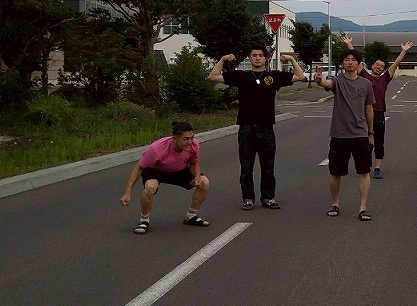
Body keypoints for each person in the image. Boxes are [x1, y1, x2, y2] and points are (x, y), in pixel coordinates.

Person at [209, 44, 304, 210]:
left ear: (265, 58)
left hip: (266, 128)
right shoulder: (242, 76)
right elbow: (214, 77)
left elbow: (299, 76)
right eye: (254, 55)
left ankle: (268, 197)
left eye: (260, 55)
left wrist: (291, 59)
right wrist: (223, 59)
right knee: (246, 167)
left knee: (268, 166)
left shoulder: (273, 76)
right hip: (246, 128)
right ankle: (248, 197)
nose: (257, 58)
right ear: (249, 57)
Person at [313, 48, 376, 221]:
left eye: (353, 59)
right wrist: (319, 80)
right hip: (340, 135)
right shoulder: (337, 81)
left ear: (358, 63)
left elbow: (369, 108)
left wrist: (370, 133)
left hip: (360, 134)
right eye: (347, 59)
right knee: (335, 172)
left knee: (364, 171)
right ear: (342, 63)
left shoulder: (366, 84)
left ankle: (363, 207)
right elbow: (327, 84)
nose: (350, 62)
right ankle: (335, 203)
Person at [119, 121, 210, 235]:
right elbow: (138, 168)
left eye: (192, 137)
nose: (190, 142)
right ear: (174, 139)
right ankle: (144, 220)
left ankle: (191, 216)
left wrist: (197, 176)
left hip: (179, 170)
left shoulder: (194, 145)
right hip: (156, 171)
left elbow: (194, 162)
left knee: (204, 183)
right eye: (186, 139)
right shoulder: (157, 149)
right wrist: (127, 192)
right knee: (150, 188)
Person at [341, 35, 413, 179]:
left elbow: (395, 64)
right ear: (372, 65)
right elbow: (356, 60)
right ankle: (365, 165)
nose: (379, 67)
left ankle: (378, 168)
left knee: (379, 142)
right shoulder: (364, 75)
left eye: (382, 66)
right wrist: (349, 44)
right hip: (362, 114)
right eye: (377, 65)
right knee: (364, 141)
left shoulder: (385, 78)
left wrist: (403, 51)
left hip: (379, 113)